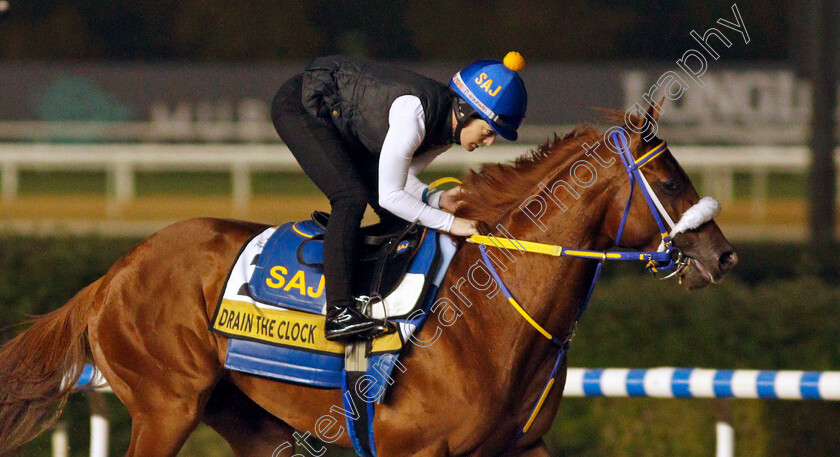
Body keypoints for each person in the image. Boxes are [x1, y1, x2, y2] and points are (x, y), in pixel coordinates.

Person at [271, 52, 528, 341]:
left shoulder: (445, 131)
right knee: (351, 198)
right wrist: (450, 223)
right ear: (466, 111)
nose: (489, 142)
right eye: (489, 131)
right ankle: (339, 313)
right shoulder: (415, 115)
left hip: (342, 119)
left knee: (398, 217)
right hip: (303, 106)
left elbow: (395, 180)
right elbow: (391, 195)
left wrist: (435, 198)